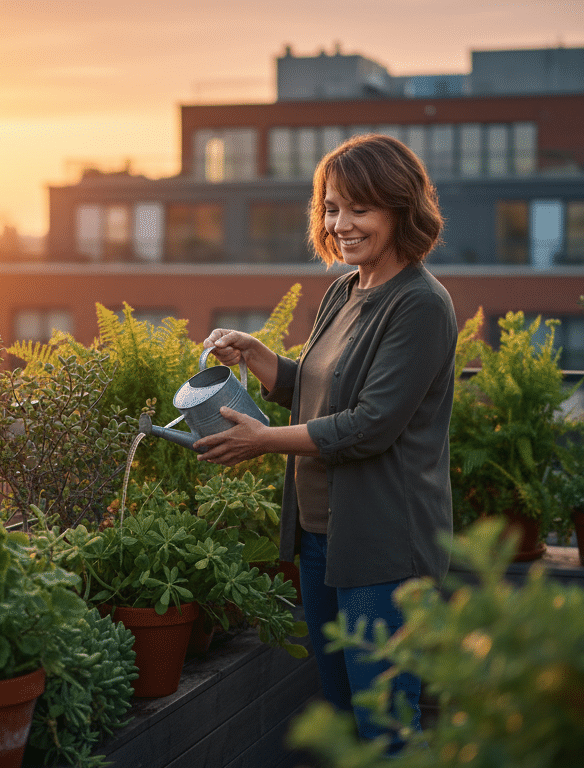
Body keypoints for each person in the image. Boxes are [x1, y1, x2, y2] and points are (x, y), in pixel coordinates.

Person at [194, 133, 456, 749]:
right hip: (321, 538)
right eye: (332, 208)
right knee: (343, 707)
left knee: (385, 721)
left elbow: (370, 424)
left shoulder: (420, 304)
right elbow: (317, 390)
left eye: (360, 209)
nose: (341, 224)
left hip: (384, 546)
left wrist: (264, 442)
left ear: (401, 209)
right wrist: (260, 357)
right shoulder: (345, 290)